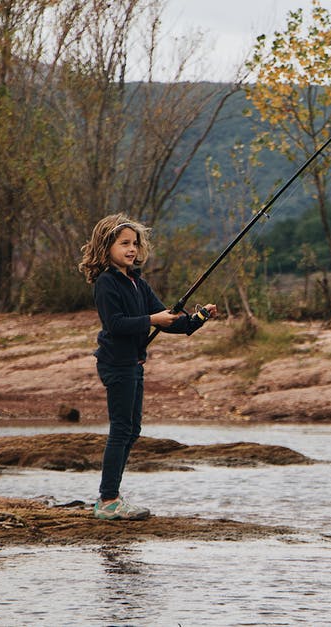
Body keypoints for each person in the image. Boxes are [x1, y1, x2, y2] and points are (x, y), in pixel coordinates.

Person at [78, 213, 218, 520]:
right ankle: (108, 500)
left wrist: (198, 319)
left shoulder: (138, 283)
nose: (131, 249)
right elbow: (115, 325)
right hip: (115, 363)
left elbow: (168, 320)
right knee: (121, 429)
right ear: (107, 248)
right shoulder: (106, 284)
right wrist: (152, 320)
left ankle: (111, 495)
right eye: (124, 243)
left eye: (134, 243)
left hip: (133, 364)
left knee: (132, 430)